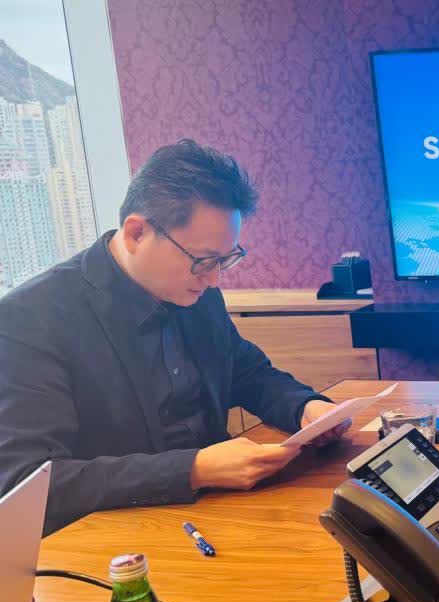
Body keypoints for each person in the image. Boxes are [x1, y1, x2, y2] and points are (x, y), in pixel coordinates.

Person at [0, 139, 351, 535]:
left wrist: (305, 408)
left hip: (220, 511)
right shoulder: (30, 319)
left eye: (225, 260)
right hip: (117, 537)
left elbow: (246, 372)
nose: (214, 279)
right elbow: (29, 485)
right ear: (136, 233)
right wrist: (193, 469)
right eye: (203, 260)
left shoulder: (198, 293)